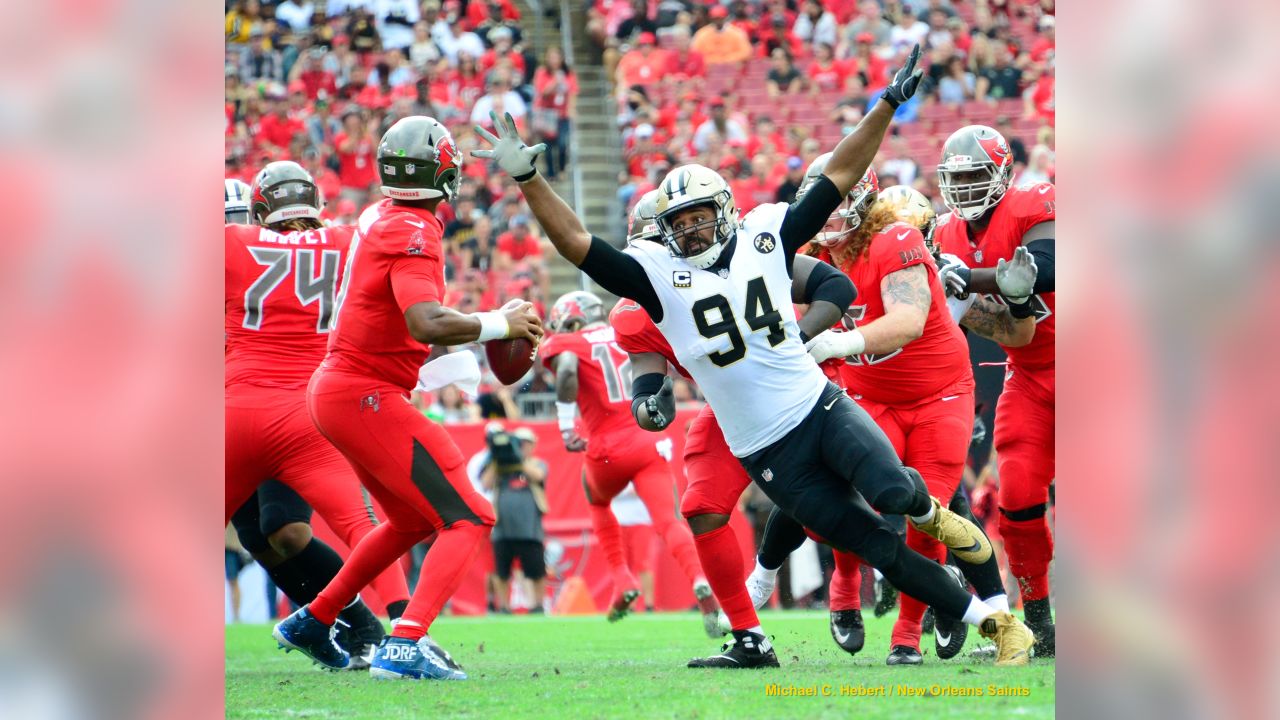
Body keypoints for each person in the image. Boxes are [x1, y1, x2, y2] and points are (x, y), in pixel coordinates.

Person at [473, 45, 1035, 669]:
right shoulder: (655, 276)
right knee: (877, 545)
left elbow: (840, 177)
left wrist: (886, 105)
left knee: (897, 496)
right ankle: (996, 621)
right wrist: (529, 180)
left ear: (727, 213)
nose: (689, 232)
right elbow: (578, 244)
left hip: (820, 407)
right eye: (678, 223)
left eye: (699, 218)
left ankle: (937, 519)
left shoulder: (766, 233)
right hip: (767, 450)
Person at [271, 116, 543, 680]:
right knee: (470, 515)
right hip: (362, 393)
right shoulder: (414, 228)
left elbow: (394, 321)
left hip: (343, 389)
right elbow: (424, 320)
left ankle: (314, 619)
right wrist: (500, 323)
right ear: (444, 172)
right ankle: (407, 643)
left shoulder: (379, 215)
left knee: (410, 521)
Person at [745, 177, 1036, 665]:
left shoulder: (900, 245)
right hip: (867, 391)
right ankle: (841, 585)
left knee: (927, 511)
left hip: (937, 395)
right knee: (834, 501)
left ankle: (908, 634)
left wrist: (843, 342)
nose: (921, 239)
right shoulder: (810, 251)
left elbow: (917, 321)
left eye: (926, 233)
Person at [225, 163, 413, 668]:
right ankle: (400, 630)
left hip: (250, 406)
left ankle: (374, 629)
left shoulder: (232, 243)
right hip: (299, 408)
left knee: (284, 529)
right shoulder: (349, 240)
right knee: (278, 535)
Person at [931, 124, 1057, 657]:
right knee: (1018, 500)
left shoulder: (1032, 204)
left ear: (1003, 173)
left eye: (976, 174)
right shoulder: (945, 234)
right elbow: (947, 326)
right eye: (956, 177)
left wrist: (974, 278)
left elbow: (1047, 268)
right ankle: (1039, 623)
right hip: (1028, 373)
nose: (965, 187)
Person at [539, 282, 722, 636]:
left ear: (570, 322)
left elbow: (564, 371)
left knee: (597, 501)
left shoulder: (569, 343)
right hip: (646, 441)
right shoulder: (625, 333)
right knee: (668, 521)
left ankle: (621, 579)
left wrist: (565, 426)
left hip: (605, 449)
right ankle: (699, 579)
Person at [482, 426, 548, 613]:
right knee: (501, 570)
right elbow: (485, 483)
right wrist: (496, 460)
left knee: (536, 569)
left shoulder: (537, 463)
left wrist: (518, 458)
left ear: (533, 445)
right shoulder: (499, 466)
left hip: (530, 528)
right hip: (503, 527)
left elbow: (539, 476)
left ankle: (538, 605)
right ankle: (504, 606)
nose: (522, 446)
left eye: (526, 443)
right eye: (519, 443)